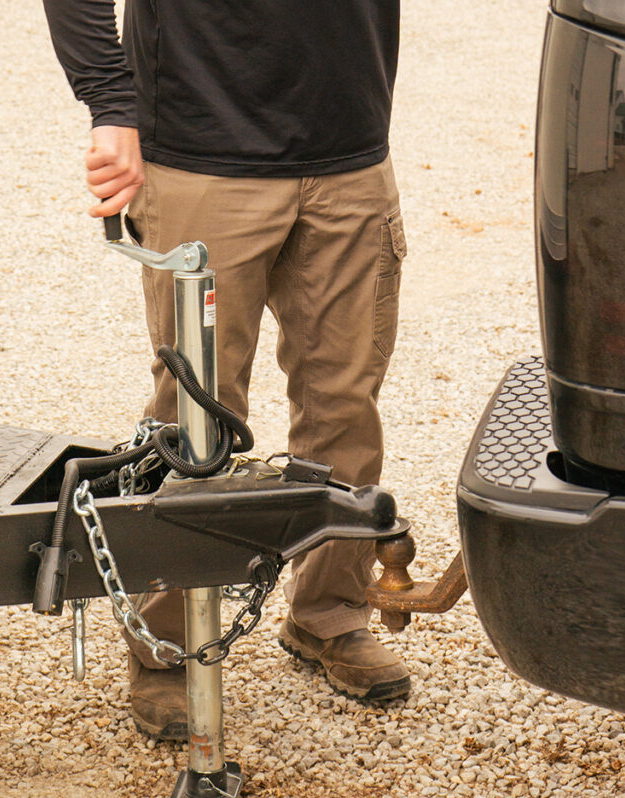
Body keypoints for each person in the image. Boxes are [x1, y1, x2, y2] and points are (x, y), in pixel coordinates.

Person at [43, 0, 411, 741]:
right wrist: (111, 105)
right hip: (201, 155)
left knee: (345, 400)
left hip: (351, 152)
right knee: (195, 417)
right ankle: (166, 650)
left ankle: (329, 613)